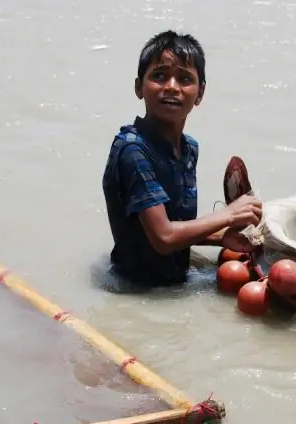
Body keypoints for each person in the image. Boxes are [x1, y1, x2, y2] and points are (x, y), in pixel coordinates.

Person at [102, 30, 263, 285]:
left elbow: (177, 225)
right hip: (136, 289)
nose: (171, 87)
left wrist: (221, 236)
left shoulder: (188, 149)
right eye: (159, 76)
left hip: (176, 282)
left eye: (185, 79)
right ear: (138, 87)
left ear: (200, 93)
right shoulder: (133, 151)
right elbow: (163, 237)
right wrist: (229, 215)